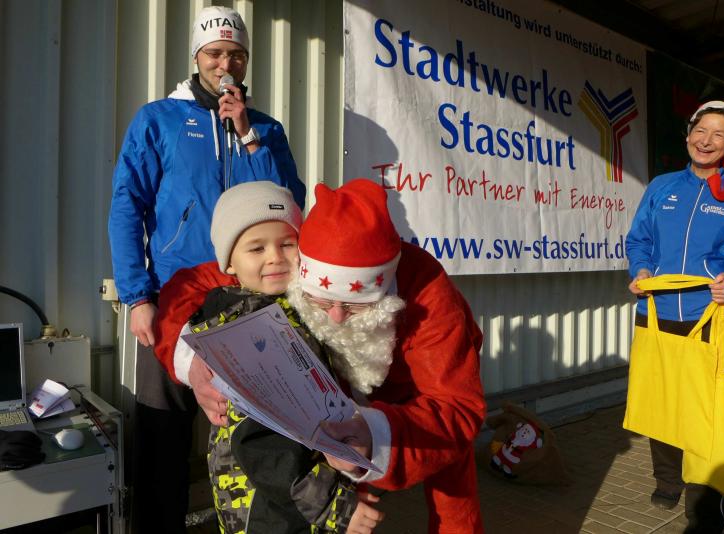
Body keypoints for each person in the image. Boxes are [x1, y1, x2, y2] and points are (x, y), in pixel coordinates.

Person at [155, 179, 487, 533]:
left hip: (418, 389)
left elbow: (455, 408)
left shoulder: (430, 296)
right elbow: (186, 286)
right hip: (333, 395)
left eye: (355, 306)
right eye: (322, 302)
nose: (337, 318)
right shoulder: (283, 262)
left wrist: (375, 436)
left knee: (451, 473)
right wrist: (193, 363)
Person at [107, 6, 305, 531]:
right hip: (176, 296)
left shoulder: (266, 128)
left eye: (236, 55)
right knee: (163, 433)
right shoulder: (159, 120)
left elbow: (288, 204)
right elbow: (127, 206)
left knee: (260, 428)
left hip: (250, 297)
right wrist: (136, 296)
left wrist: (248, 135)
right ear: (197, 57)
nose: (226, 65)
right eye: (215, 53)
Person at [156, 181, 382, 533]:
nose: (275, 256)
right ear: (229, 263)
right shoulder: (242, 330)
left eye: (287, 243)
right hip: (266, 505)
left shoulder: (292, 309)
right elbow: (261, 441)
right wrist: (334, 506)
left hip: (294, 495)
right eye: (256, 248)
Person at [626, 100, 724, 533]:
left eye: (718, 134)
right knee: (661, 404)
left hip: (712, 317)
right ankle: (668, 480)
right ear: (688, 133)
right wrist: (642, 270)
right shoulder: (662, 187)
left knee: (708, 413)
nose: (706, 141)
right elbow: (639, 239)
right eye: (700, 130)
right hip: (658, 314)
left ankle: (703, 501)